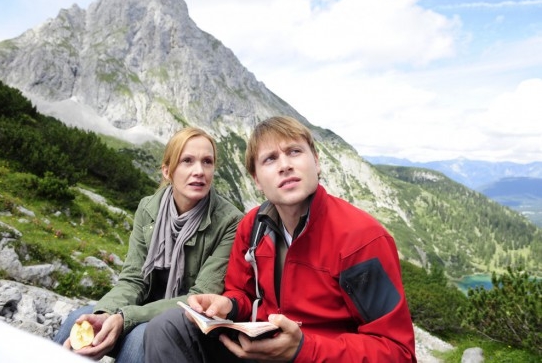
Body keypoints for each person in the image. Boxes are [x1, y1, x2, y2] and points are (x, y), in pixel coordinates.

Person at [144, 116, 416, 362]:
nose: (285, 165)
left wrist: (303, 349)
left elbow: (399, 352)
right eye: (270, 159)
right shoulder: (252, 226)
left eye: (294, 152)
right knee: (167, 328)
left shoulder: (361, 238)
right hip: (260, 351)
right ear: (257, 180)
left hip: (319, 357)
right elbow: (243, 293)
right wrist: (229, 304)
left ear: (317, 162)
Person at [53, 127, 243, 363]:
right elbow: (133, 278)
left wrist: (125, 318)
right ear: (167, 171)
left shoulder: (231, 222)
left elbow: (199, 298)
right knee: (79, 320)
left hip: (186, 324)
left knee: (139, 338)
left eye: (207, 162)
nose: (199, 171)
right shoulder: (147, 208)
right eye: (187, 161)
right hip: (139, 311)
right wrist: (106, 313)